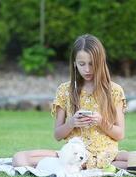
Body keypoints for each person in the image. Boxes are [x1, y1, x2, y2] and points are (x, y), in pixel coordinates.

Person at [12, 34, 128, 169]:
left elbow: (120, 134)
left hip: (107, 153)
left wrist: (101, 121)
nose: (87, 69)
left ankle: (97, 164)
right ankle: (98, 166)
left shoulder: (114, 91)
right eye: (82, 64)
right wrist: (72, 123)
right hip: (73, 154)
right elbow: (57, 135)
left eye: (92, 63)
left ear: (100, 62)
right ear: (75, 64)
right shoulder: (64, 90)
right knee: (19, 159)